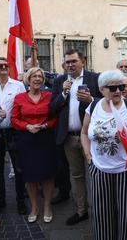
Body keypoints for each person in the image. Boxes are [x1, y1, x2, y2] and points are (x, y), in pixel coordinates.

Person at [80, 70, 127, 240]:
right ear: (102, 89)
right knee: (102, 213)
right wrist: (88, 155)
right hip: (99, 169)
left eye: (121, 86)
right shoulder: (93, 106)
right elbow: (83, 133)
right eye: (112, 88)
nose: (118, 91)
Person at [50, 49, 102, 225]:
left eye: (73, 61)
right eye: (67, 62)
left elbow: (107, 103)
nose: (70, 65)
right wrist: (64, 94)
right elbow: (52, 108)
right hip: (69, 138)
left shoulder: (95, 79)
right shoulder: (59, 81)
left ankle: (101, 209)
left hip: (92, 138)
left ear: (83, 61)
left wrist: (91, 100)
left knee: (96, 174)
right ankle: (81, 211)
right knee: (77, 176)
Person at [11, 67, 57, 223]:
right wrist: (27, 127)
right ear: (28, 79)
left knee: (47, 175)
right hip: (26, 140)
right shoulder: (19, 98)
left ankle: (47, 206)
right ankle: (34, 207)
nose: (37, 79)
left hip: (46, 138)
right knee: (30, 176)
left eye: (40, 77)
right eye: (34, 76)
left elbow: (55, 117)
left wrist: (44, 126)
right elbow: (14, 119)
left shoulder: (49, 96)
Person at [0, 57, 27, 215]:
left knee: (18, 168)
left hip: (13, 131)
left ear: (8, 68)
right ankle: (1, 199)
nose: (3, 67)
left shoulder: (18, 85)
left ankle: (21, 201)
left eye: (5, 65)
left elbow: (24, 106)